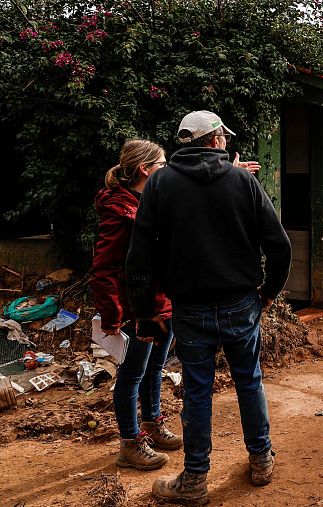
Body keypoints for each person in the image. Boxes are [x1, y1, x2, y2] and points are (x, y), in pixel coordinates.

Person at [126, 111, 291, 505]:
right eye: (224, 138)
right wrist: (268, 292)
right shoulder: (242, 181)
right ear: (216, 141)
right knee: (249, 380)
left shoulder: (160, 183)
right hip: (241, 303)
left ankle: (195, 479)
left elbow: (140, 257)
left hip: (189, 308)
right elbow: (280, 246)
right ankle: (261, 460)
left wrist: (145, 310)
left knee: (197, 391)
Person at [90, 139, 183, 471]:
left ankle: (152, 423)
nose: (168, 170)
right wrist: (113, 315)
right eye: (162, 164)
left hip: (163, 303)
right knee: (131, 375)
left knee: (155, 368)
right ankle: (130, 442)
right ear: (145, 169)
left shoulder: (153, 201)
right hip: (137, 309)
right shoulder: (119, 210)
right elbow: (103, 269)